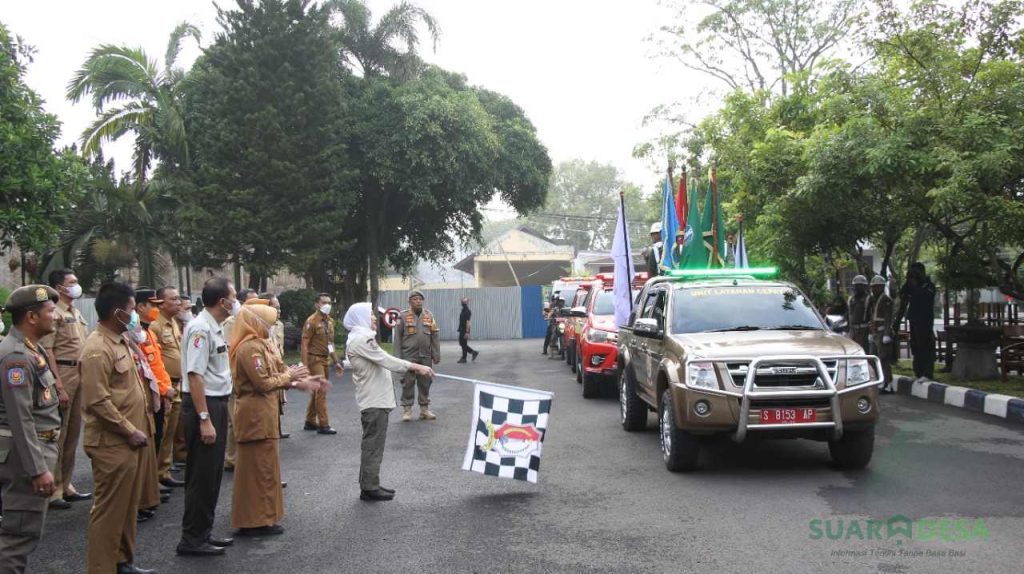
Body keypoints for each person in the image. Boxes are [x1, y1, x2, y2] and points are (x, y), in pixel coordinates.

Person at [79, 282, 155, 574]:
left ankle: (122, 561)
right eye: (133, 310)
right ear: (117, 312)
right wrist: (129, 429)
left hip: (128, 440)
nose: (135, 315)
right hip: (112, 442)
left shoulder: (119, 340)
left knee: (126, 507)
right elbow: (98, 400)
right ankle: (102, 568)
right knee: (109, 511)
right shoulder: (97, 349)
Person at [229, 303, 324, 534]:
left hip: (265, 413)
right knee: (255, 470)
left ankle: (263, 517)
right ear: (255, 323)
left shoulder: (261, 345)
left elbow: (275, 377)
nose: (272, 328)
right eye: (269, 324)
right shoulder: (249, 348)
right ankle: (252, 521)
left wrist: (297, 382)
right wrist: (289, 376)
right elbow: (263, 383)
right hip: (255, 416)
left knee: (266, 468)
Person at [344, 302, 434, 501]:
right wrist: (417, 367)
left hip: (374, 400)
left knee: (374, 444)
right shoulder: (362, 339)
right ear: (360, 318)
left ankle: (370, 483)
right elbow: (387, 360)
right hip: (373, 401)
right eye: (371, 315)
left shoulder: (360, 337)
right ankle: (369, 488)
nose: (375, 319)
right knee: (373, 445)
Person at [0, 285, 61, 573]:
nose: (56, 316)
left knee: (21, 534)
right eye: (50, 311)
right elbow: (20, 417)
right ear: (32, 317)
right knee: (17, 537)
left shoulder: (28, 349)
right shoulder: (16, 357)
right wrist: (37, 469)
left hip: (34, 448)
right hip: (25, 457)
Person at [176, 277, 238, 557]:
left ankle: (203, 532)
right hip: (204, 405)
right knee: (201, 475)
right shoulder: (200, 328)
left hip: (216, 403)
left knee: (211, 475)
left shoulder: (214, 327)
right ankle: (192, 539)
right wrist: (204, 418)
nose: (235, 302)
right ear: (222, 301)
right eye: (233, 297)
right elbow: (195, 376)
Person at [40, 268, 89, 510]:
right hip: (63, 373)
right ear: (60, 287)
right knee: (59, 434)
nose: (76, 285)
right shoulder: (54, 313)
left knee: (73, 434)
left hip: (79, 373)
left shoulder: (75, 312)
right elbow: (48, 350)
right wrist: (58, 385)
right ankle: (55, 489)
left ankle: (67, 483)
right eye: (72, 282)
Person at [130, 288, 172, 521]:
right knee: (145, 447)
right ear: (139, 307)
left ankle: (149, 490)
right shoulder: (134, 334)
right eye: (152, 304)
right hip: (146, 396)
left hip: (157, 393)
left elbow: (158, 365)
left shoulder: (147, 334)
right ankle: (142, 496)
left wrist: (164, 389)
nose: (156, 309)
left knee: (156, 442)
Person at [153, 287, 185, 488]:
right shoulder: (155, 325)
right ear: (161, 303)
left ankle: (163, 471)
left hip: (177, 383)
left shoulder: (173, 322)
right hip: (165, 385)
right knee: (161, 431)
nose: (179, 302)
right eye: (173, 299)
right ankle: (154, 475)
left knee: (170, 431)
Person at [222, 289, 257, 472]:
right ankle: (236, 458)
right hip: (236, 375)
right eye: (251, 302)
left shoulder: (252, 321)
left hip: (247, 374)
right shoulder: (232, 322)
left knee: (237, 418)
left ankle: (233, 458)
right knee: (236, 418)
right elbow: (230, 352)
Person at [301, 293, 343, 435]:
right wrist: (305, 365)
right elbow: (305, 344)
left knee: (317, 390)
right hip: (314, 359)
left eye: (329, 302)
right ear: (316, 304)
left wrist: (336, 361)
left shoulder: (329, 321)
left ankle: (310, 420)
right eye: (324, 302)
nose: (327, 305)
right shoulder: (311, 321)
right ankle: (324, 424)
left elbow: (330, 343)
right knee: (322, 391)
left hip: (325, 359)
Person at [395, 290, 441, 422]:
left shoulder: (429, 315)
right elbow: (397, 338)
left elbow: (435, 335)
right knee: (408, 382)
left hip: (425, 355)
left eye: (420, 299)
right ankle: (407, 410)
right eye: (415, 299)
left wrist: (436, 353)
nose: (418, 301)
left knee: (425, 382)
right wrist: (397, 358)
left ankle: (424, 410)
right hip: (408, 355)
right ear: (409, 301)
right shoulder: (402, 316)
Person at [897, 262, 937, 379]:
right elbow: (903, 295)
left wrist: (917, 286)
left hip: (925, 320)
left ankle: (927, 373)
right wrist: (909, 283)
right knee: (915, 346)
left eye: (917, 273)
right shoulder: (911, 285)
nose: (914, 276)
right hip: (913, 319)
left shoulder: (929, 286)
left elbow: (926, 297)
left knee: (925, 346)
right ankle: (918, 371)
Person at [868, 276, 896, 393]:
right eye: (872, 287)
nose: (873, 289)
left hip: (882, 332)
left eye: (876, 287)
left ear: (881, 287)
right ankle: (879, 382)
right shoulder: (874, 299)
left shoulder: (886, 300)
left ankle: (888, 384)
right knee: (873, 358)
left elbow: (888, 318)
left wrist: (887, 334)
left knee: (884, 359)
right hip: (875, 333)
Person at [846, 275, 871, 352]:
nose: (856, 288)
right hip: (852, 330)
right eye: (855, 285)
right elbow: (849, 314)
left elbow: (872, 315)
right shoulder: (851, 299)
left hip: (864, 330)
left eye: (859, 285)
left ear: (864, 286)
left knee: (864, 351)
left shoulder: (869, 299)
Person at [457, 296, 479, 364]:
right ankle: (473, 352)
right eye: (462, 301)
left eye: (463, 302)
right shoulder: (463, 310)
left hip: (464, 330)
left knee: (463, 344)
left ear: (466, 303)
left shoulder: (467, 311)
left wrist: (467, 332)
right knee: (462, 343)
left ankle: (464, 358)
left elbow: (468, 322)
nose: (462, 302)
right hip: (461, 329)